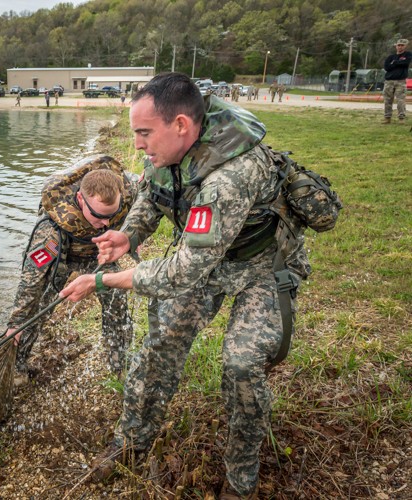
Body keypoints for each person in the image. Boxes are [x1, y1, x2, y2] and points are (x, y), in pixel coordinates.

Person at [60, 73, 311, 499]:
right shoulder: (166, 150)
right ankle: (130, 442)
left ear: (180, 124)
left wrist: (103, 280)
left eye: (143, 133)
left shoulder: (231, 176)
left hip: (262, 266)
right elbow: (153, 196)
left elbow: (182, 271)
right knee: (160, 345)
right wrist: (129, 236)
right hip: (206, 254)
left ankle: (240, 479)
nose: (137, 144)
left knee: (242, 364)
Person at [6, 156, 137, 382]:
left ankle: (120, 363)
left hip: (98, 252)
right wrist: (15, 323)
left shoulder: (129, 191)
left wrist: (133, 236)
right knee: (40, 305)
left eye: (111, 216)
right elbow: (31, 280)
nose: (106, 223)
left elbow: (147, 197)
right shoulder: (50, 231)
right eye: (98, 216)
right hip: (63, 253)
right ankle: (17, 365)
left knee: (116, 296)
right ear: (80, 199)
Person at [382, 38, 411, 124]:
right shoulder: (391, 57)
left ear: (405, 46)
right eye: (398, 45)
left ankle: (401, 118)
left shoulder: (408, 55)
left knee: (400, 100)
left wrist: (394, 63)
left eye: (402, 45)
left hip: (400, 82)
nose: (400, 47)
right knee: (387, 100)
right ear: (396, 46)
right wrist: (397, 63)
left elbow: (406, 63)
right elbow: (387, 67)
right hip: (389, 81)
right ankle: (387, 118)